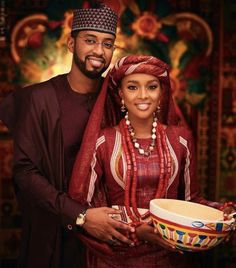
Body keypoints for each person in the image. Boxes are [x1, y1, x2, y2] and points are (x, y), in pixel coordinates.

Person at [0, 3, 134, 268]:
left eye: (108, 44)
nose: (99, 51)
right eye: (90, 40)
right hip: (52, 236)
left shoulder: (118, 101)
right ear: (72, 44)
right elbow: (25, 173)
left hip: (107, 242)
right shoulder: (39, 99)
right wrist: (81, 216)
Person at [68, 55, 236, 268]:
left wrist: (222, 212)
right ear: (120, 94)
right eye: (132, 87)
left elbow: (190, 201)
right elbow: (86, 209)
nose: (143, 95)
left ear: (162, 92)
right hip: (115, 258)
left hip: (168, 257)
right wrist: (137, 230)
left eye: (152, 86)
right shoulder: (104, 141)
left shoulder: (181, 139)